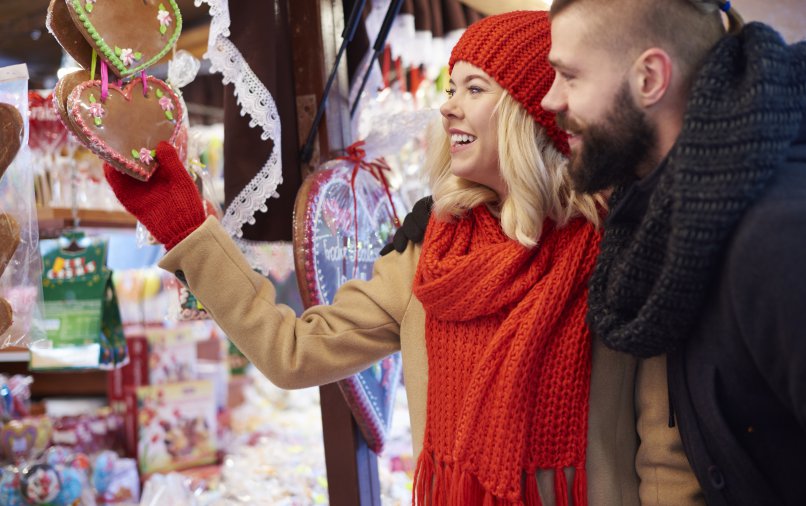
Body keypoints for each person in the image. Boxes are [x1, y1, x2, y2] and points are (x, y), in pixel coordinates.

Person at [104, 11, 698, 505]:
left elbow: (668, 460)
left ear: (529, 111)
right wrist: (190, 230)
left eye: (474, 88)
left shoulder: (619, 246)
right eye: (449, 88)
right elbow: (291, 352)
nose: (448, 108)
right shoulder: (431, 253)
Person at [541, 0, 806, 504]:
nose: (549, 99)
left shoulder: (782, 237)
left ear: (649, 77)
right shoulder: (667, 219)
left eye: (569, 76)